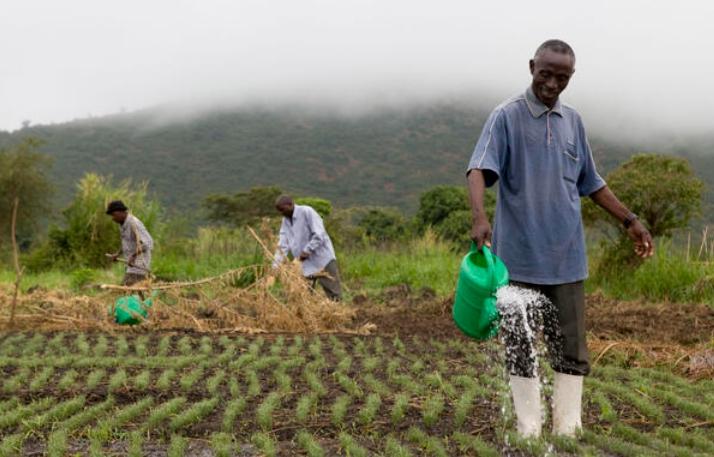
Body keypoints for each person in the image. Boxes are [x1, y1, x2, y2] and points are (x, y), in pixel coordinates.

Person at [466, 39, 653, 438]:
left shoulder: (574, 122)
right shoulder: (506, 116)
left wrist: (630, 220)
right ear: (532, 66)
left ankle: (569, 429)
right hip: (516, 260)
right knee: (520, 345)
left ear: (571, 78)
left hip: (567, 258)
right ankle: (528, 428)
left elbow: (592, 182)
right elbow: (479, 168)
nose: (551, 84)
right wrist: (480, 217)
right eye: (545, 74)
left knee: (572, 347)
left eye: (561, 78)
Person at [271, 195, 342, 301]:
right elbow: (282, 244)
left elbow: (319, 234)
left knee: (333, 293)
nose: (281, 213)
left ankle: (338, 314)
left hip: (322, 260)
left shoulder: (307, 212)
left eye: (283, 210)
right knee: (303, 295)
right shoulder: (285, 221)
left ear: (291, 204)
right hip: (304, 264)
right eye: (279, 211)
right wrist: (275, 266)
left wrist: (307, 250)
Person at [106, 200, 154, 288]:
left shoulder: (134, 223)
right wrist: (117, 254)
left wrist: (134, 256)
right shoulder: (122, 224)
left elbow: (148, 242)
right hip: (131, 265)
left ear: (121, 212)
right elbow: (126, 242)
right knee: (135, 292)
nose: (113, 218)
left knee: (126, 289)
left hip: (139, 265)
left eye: (113, 215)